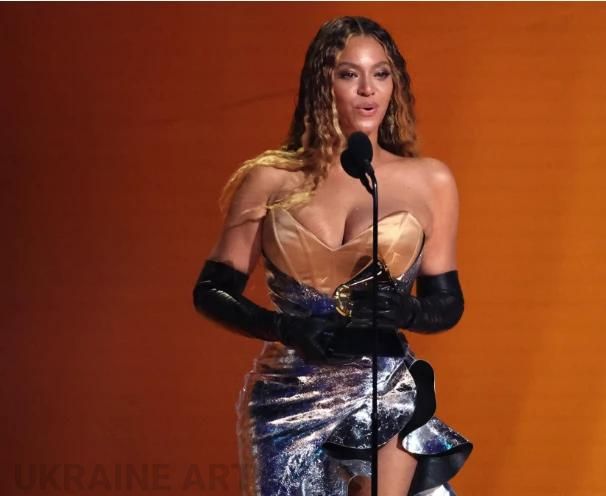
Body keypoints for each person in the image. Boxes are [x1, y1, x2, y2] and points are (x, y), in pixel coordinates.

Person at [192, 16, 473, 496]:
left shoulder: (431, 181)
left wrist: (407, 310)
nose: (368, 89)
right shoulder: (269, 180)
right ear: (322, 85)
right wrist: (284, 327)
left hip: (382, 386)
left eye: (381, 74)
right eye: (348, 74)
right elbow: (211, 291)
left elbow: (448, 302)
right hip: (288, 397)